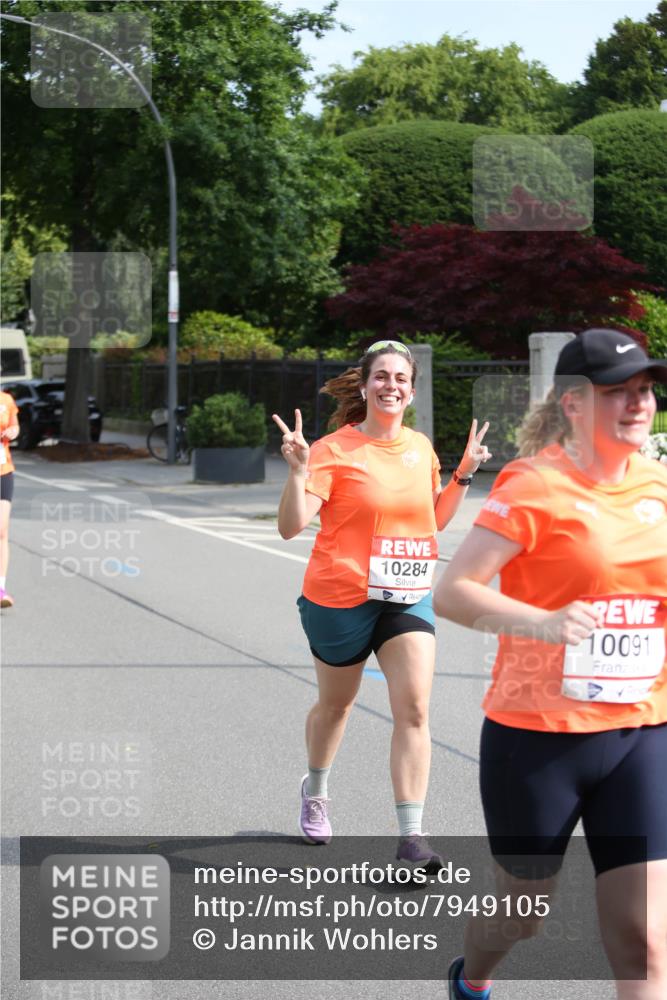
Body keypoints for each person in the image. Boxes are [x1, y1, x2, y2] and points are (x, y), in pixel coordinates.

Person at [432, 328, 667, 1000]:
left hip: (640, 732)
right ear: (571, 403)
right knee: (522, 913)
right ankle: (471, 979)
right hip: (537, 739)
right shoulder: (533, 483)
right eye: (615, 392)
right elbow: (454, 592)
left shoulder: (656, 481)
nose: (636, 404)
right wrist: (541, 622)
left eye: (644, 390)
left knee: (644, 940)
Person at [272, 340, 491, 869]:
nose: (391, 385)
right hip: (338, 598)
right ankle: (317, 788)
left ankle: (412, 838)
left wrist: (463, 472)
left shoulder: (420, 448)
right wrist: (299, 471)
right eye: (381, 377)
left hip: (406, 597)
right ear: (365, 385)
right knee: (336, 706)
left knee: (415, 708)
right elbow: (288, 527)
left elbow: (435, 520)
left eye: (400, 378)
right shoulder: (333, 449)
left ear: (411, 391)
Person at [0, 389, 19, 609]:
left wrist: (13, 431)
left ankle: (1, 589)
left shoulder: (6, 400)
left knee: (2, 530)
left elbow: (15, 425)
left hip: (3, 470)